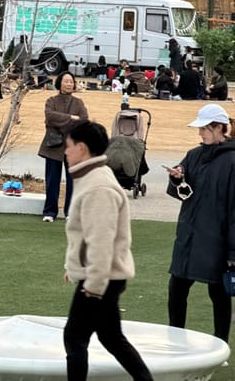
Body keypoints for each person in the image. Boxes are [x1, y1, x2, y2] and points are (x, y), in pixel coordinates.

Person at [63, 121, 154, 381]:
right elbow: (88, 236)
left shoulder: (98, 186)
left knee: (74, 337)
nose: (66, 152)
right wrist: (75, 267)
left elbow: (101, 240)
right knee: (111, 337)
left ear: (81, 148)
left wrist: (93, 285)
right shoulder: (93, 178)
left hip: (101, 279)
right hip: (105, 276)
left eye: (68, 146)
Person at [166, 103, 235, 343]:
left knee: (218, 293)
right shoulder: (193, 155)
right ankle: (175, 338)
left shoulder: (232, 161)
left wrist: (232, 252)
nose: (200, 133)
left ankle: (221, 342)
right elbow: (185, 194)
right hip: (188, 234)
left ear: (219, 128)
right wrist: (177, 180)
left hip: (216, 239)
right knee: (177, 288)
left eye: (204, 128)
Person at [38, 71, 89, 222]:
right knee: (52, 180)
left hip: (73, 146)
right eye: (66, 81)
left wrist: (61, 122)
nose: (69, 84)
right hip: (53, 145)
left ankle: (70, 213)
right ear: (59, 83)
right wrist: (71, 118)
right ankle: (50, 212)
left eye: (71, 81)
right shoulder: (51, 100)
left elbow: (83, 121)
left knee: (73, 181)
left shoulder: (78, 103)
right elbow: (50, 117)